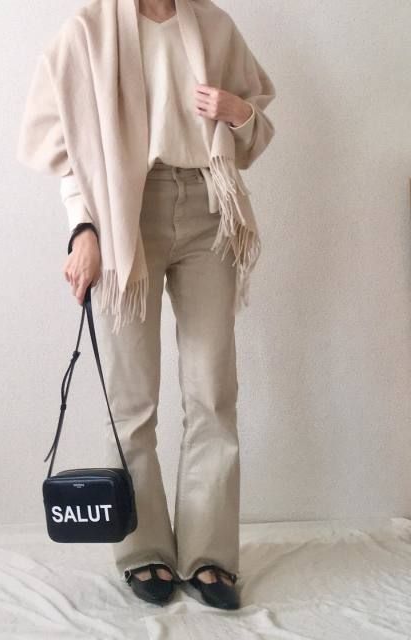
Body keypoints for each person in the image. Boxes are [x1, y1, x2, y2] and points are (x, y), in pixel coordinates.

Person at [20, 0, 276, 609]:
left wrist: (239, 113)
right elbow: (64, 141)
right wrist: (83, 227)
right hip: (125, 213)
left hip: (210, 204)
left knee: (212, 390)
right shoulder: (87, 32)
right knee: (132, 401)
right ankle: (142, 551)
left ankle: (210, 556)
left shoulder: (213, 25)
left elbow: (254, 126)